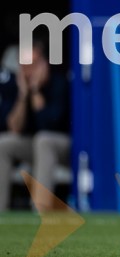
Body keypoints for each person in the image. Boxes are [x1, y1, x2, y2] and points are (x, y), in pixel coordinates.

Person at [0, 40, 71, 212]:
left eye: (33, 65)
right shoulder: (16, 86)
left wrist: (37, 92)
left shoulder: (59, 83)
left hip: (64, 146)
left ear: (43, 63)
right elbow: (14, 127)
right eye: (24, 66)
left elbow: (48, 124)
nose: (28, 71)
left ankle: (40, 209)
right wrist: (24, 96)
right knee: (4, 143)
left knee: (43, 140)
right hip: (34, 147)